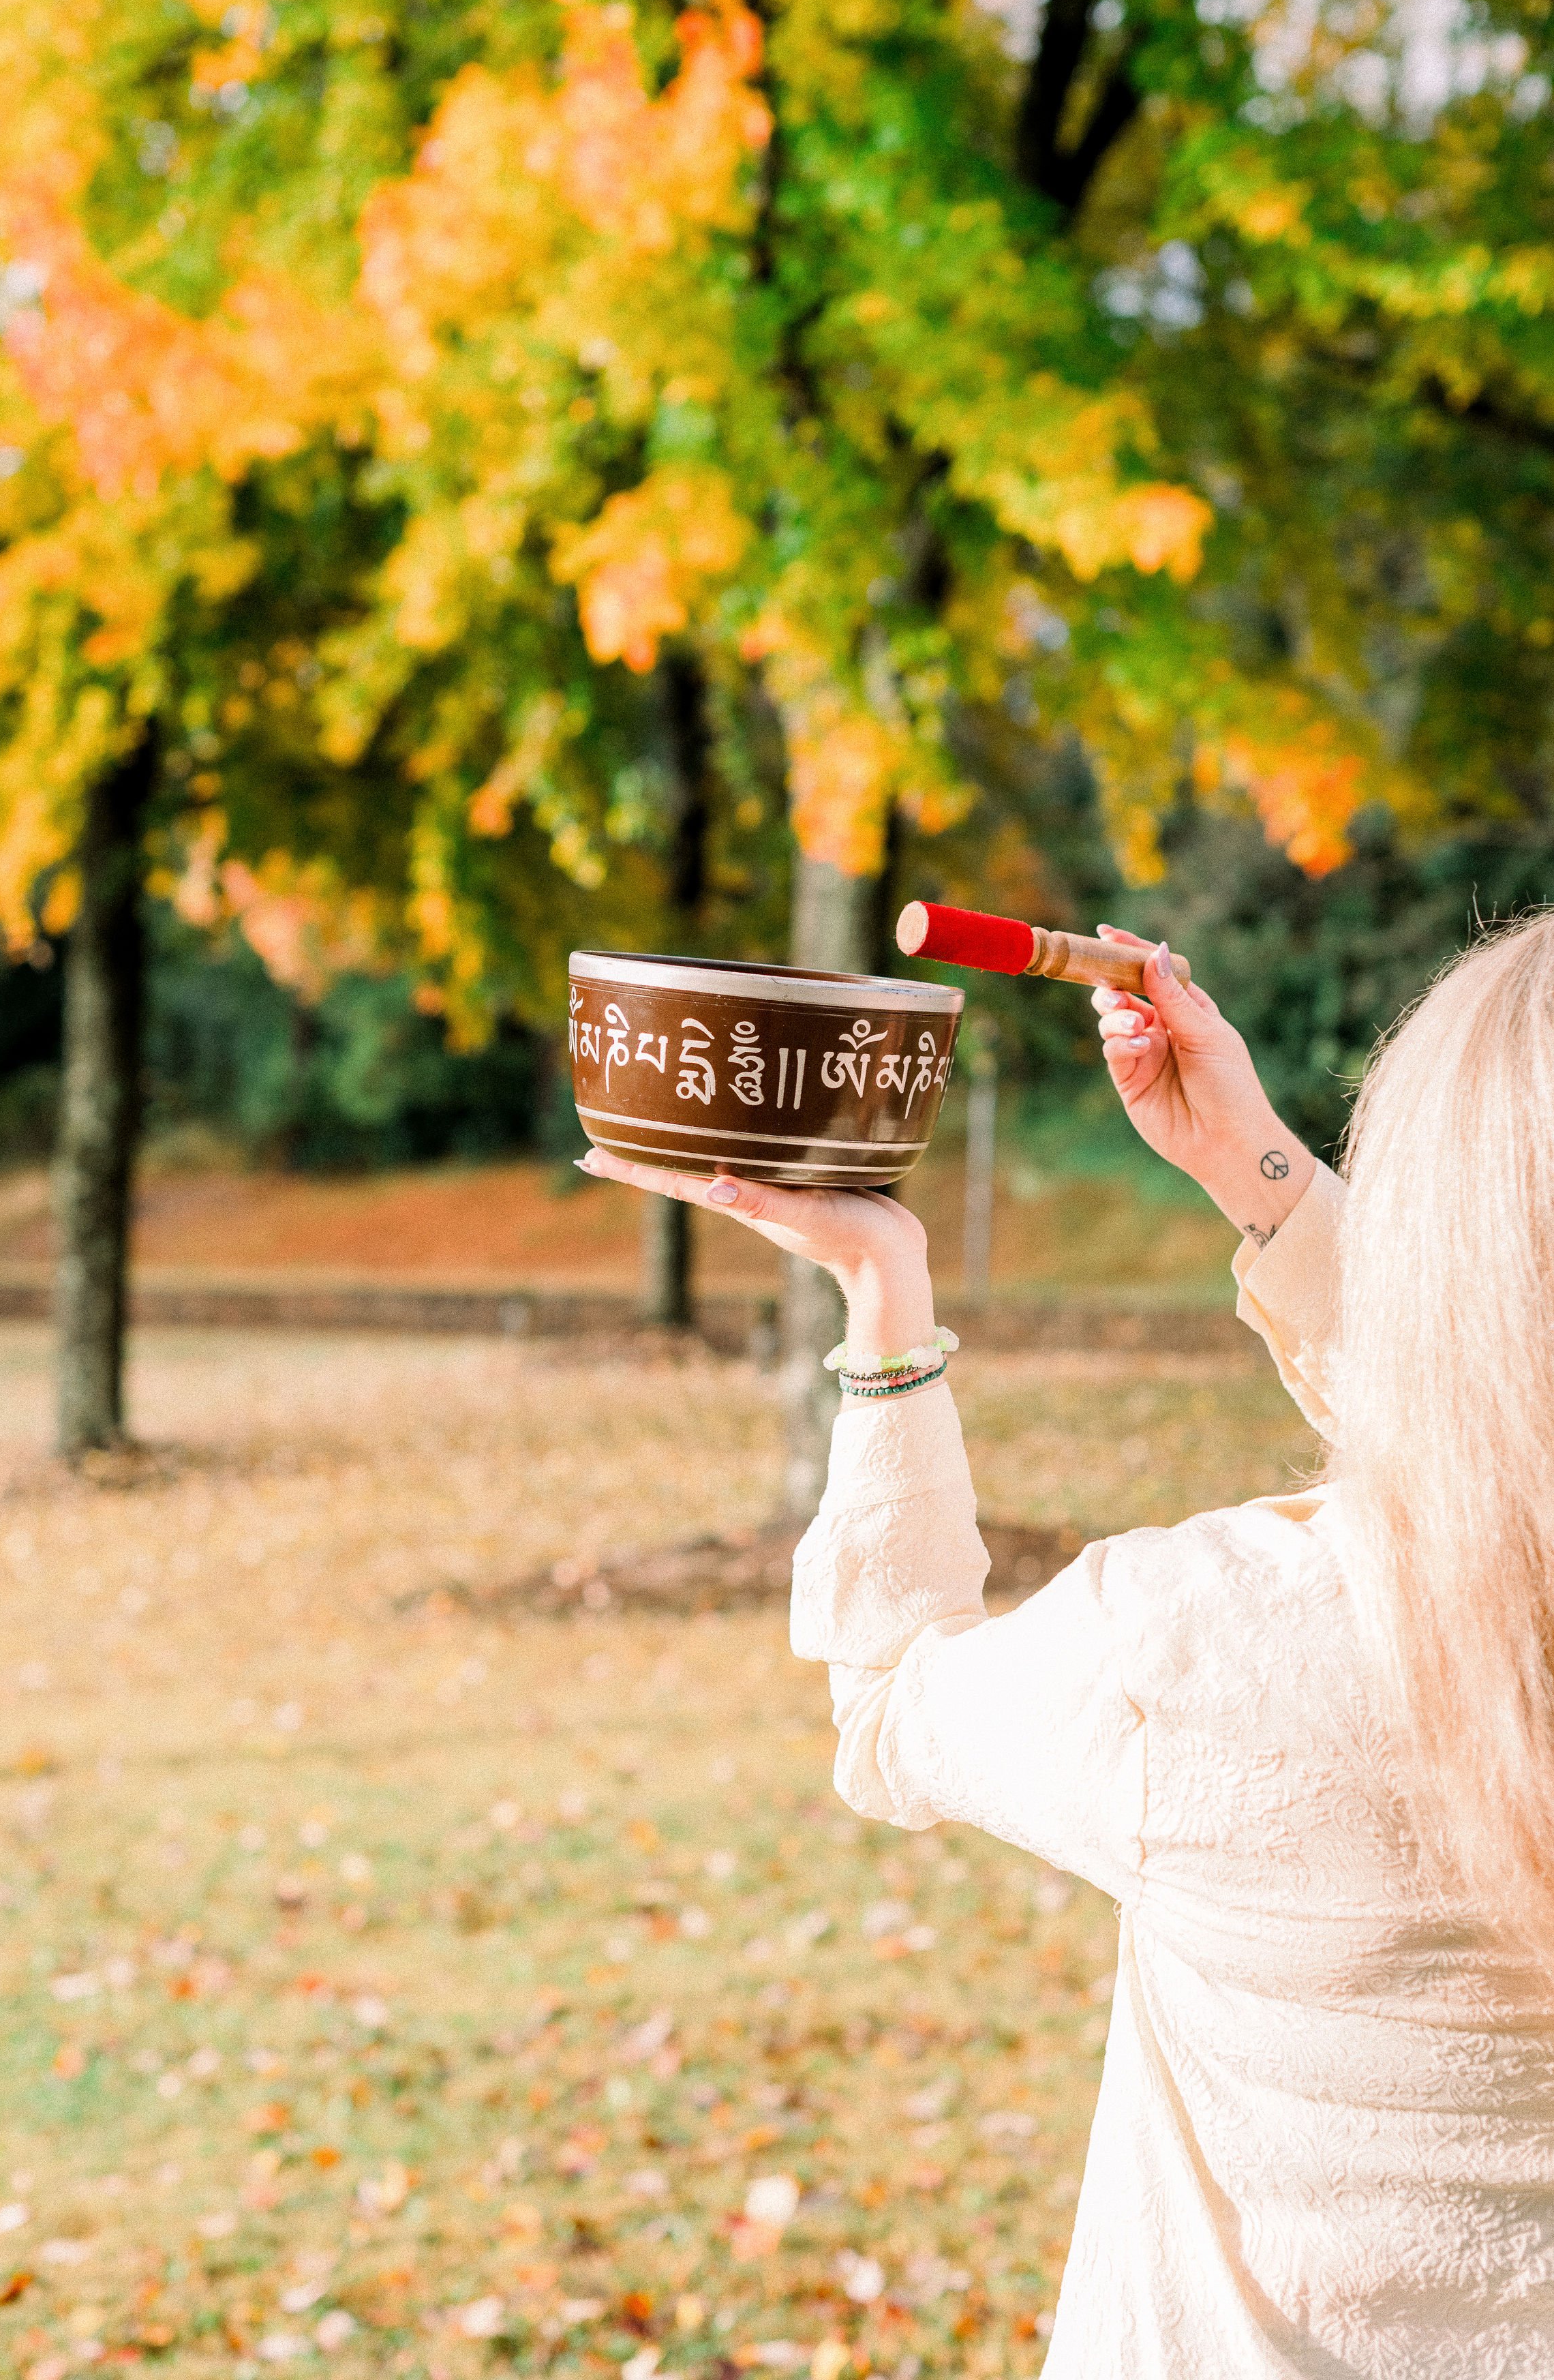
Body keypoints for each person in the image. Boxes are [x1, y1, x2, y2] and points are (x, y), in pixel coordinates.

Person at [578, 918, 1554, 2377]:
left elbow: (894, 1705)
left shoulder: (1203, 1651)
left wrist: (883, 1301)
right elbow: (1498, 1448)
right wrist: (1254, 1171)